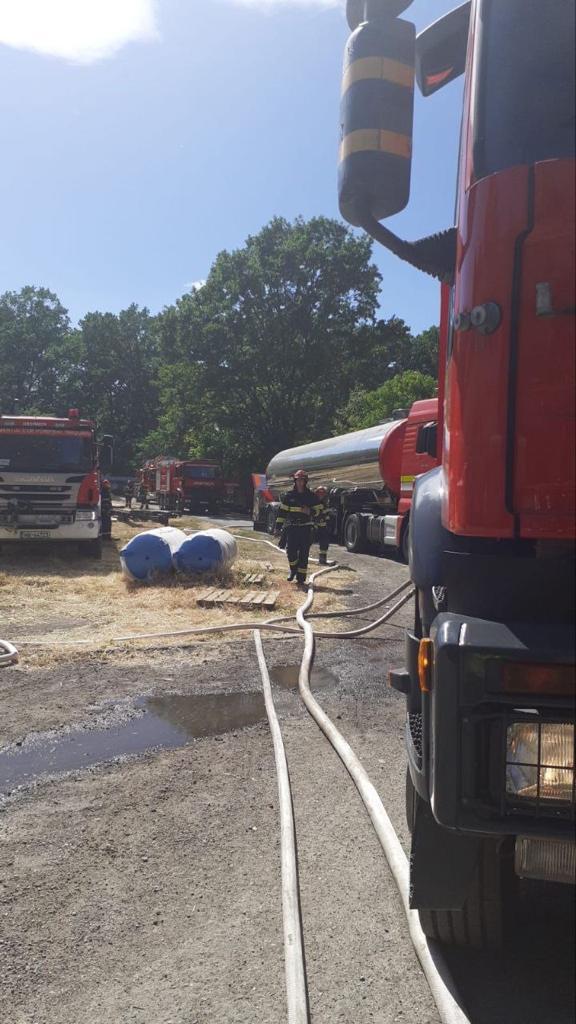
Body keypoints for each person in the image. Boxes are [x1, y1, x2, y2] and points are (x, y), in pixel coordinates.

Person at [274, 469, 318, 587]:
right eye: (298, 480)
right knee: (291, 551)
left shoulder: (311, 496)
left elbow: (320, 510)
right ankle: (293, 569)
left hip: (306, 528)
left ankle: (301, 579)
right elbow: (282, 513)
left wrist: (310, 511)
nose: (300, 482)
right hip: (292, 528)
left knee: (304, 553)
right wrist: (277, 528)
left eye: (302, 480)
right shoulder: (289, 496)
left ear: (305, 481)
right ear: (295, 481)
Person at [314, 486, 331, 565]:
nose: (321, 495)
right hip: (313, 526)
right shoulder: (312, 502)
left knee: (324, 543)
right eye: (319, 493)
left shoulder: (324, 503)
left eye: (322, 494)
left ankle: (322, 560)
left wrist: (328, 519)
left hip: (323, 526)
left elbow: (326, 515)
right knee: (307, 542)